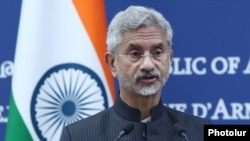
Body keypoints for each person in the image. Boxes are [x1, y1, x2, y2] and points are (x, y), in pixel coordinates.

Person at [60, 5, 211, 141]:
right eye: (135, 54)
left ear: (169, 59)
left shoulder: (198, 132)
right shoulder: (78, 136)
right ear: (112, 63)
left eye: (157, 52)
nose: (148, 65)